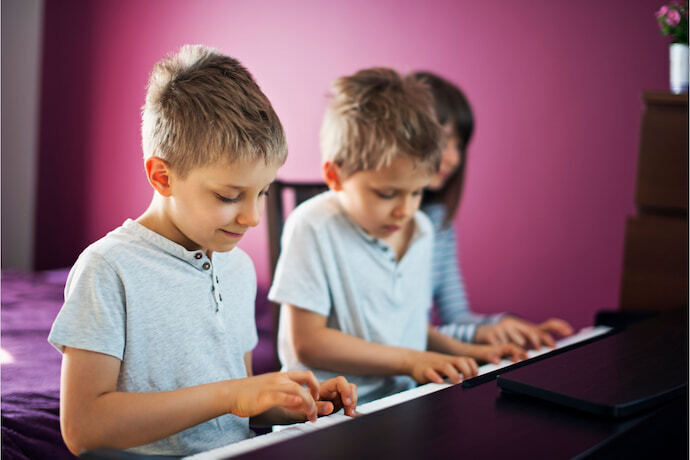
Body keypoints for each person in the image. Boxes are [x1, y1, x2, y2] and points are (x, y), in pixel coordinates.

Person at [48, 45, 356, 457]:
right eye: (230, 196)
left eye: (262, 192)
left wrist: (290, 405)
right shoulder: (108, 269)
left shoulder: (239, 268)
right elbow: (84, 429)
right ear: (163, 177)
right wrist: (233, 393)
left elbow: (234, 414)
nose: (252, 217)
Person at [268, 68, 525, 405]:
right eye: (387, 194)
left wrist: (471, 352)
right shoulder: (313, 225)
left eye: (417, 192)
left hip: (405, 402)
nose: (405, 210)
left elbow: (405, 330)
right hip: (330, 414)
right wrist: (411, 360)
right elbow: (307, 342)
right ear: (335, 175)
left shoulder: (422, 229)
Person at [411, 71, 574, 348]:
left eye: (459, 145)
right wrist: (477, 335)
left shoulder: (438, 220)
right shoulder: (384, 221)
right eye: (442, 141)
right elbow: (396, 334)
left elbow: (457, 315)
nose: (452, 158)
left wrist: (503, 326)